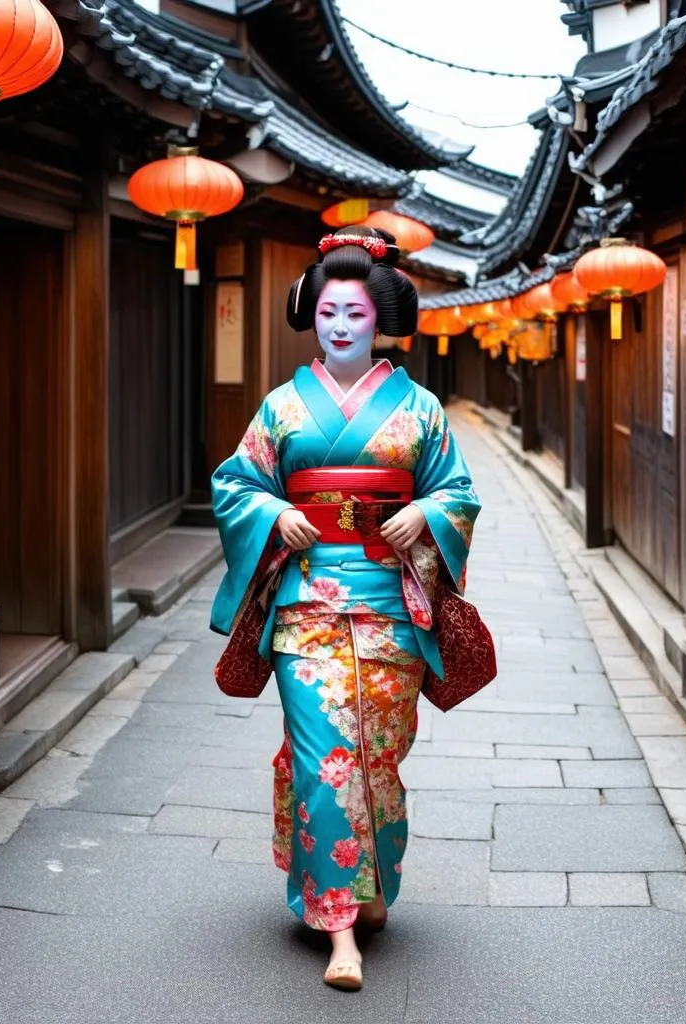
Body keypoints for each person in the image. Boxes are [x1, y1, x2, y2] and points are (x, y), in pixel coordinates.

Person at [209, 225, 480, 992]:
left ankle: (373, 885)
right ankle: (338, 929)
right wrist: (272, 516)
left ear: (381, 318)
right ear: (310, 313)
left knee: (379, 756)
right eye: (328, 311)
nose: (339, 326)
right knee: (325, 759)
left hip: (392, 603)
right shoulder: (282, 407)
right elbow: (236, 483)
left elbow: (458, 490)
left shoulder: (419, 408)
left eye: (356, 314)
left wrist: (426, 515)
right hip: (307, 609)